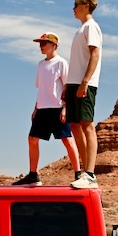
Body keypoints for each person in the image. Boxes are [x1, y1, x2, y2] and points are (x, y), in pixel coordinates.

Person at [13, 33, 80, 186]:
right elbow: (41, 89)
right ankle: (33, 175)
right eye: (40, 43)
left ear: (54, 46)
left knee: (67, 140)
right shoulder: (40, 65)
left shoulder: (61, 63)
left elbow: (67, 87)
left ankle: (78, 174)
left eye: (44, 43)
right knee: (32, 140)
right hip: (42, 108)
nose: (41, 46)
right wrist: (35, 108)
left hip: (57, 108)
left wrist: (65, 108)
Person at [65, 0, 102, 189]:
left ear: (85, 6)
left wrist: (85, 81)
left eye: (76, 5)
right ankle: (82, 172)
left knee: (87, 124)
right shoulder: (81, 29)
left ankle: (90, 174)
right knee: (75, 125)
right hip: (74, 83)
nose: (73, 8)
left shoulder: (91, 27)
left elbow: (94, 54)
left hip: (84, 83)